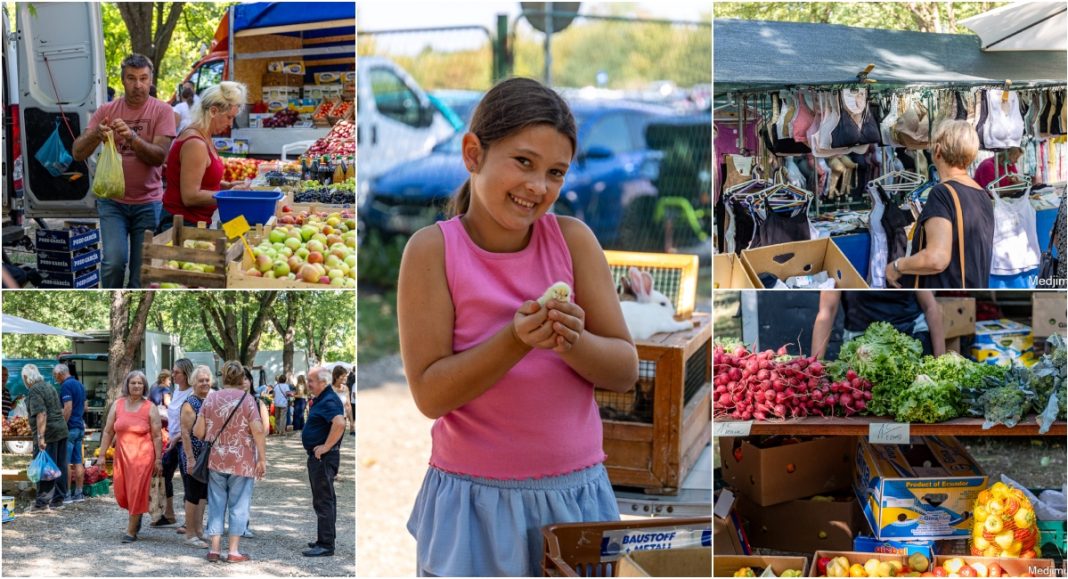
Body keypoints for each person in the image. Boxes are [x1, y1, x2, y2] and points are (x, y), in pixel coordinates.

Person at [396, 77, 639, 576]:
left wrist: (572, 341)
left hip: (575, 498)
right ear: (473, 153)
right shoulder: (432, 251)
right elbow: (430, 395)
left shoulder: (574, 242)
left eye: (555, 172)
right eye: (523, 162)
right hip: (474, 503)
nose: (537, 186)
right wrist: (514, 341)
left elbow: (624, 369)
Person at [71, 53, 176, 289]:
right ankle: (112, 299)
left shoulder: (162, 111)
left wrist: (132, 137)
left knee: (142, 273)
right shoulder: (107, 110)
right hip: (112, 201)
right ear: (122, 80)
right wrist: (96, 134)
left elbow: (159, 157)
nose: (137, 85)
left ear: (151, 80)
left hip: (148, 203)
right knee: (114, 262)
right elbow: (78, 153)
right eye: (131, 78)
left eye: (143, 78)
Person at [886, 120, 994, 289]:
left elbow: (936, 259)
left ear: (937, 150)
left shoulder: (942, 193)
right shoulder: (982, 195)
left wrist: (897, 266)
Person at [193, 361, 266, 563]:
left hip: (217, 459)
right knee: (239, 504)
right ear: (242, 378)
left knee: (216, 503)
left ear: (222, 377)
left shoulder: (210, 399)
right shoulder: (248, 400)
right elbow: (258, 430)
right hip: (242, 460)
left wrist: (216, 433)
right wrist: (262, 459)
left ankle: (214, 549)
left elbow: (198, 432)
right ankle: (233, 551)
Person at [159, 81, 250, 233]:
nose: (230, 123)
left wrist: (226, 186)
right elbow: (190, 196)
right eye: (229, 117)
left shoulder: (204, 137)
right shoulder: (195, 143)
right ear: (213, 111)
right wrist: (228, 195)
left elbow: (201, 180)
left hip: (193, 224)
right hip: (181, 227)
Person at [94, 371, 163, 542]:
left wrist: (158, 459)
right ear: (127, 385)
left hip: (142, 457)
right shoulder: (117, 405)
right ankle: (136, 516)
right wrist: (102, 455)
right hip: (122, 457)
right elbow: (109, 431)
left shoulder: (150, 407)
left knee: (135, 491)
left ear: (144, 386)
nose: (137, 386)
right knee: (121, 492)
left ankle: (131, 531)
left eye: (140, 383)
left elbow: (157, 436)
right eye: (133, 383)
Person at [811, 291, 946, 360]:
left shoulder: (902, 257)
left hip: (911, 339)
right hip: (862, 348)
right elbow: (827, 312)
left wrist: (940, 361)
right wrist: (815, 367)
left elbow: (931, 307)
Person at [301, 366, 345, 557]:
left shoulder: (328, 399)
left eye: (311, 381)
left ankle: (326, 544)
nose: (308, 384)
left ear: (322, 382)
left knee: (324, 500)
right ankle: (324, 540)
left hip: (324, 458)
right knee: (324, 499)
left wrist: (326, 447)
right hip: (321, 458)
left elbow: (340, 422)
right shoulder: (323, 398)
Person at [24, 364, 70, 511]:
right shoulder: (49, 386)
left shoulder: (34, 390)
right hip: (61, 429)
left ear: (26, 378)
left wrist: (40, 437)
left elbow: (41, 414)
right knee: (59, 464)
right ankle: (58, 499)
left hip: (49, 432)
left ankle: (42, 503)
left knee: (44, 467)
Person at [159, 358, 195, 530]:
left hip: (184, 441)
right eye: (173, 372)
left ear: (186, 373)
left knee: (188, 479)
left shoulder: (193, 393)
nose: (173, 375)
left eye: (176, 372)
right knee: (164, 473)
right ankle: (169, 513)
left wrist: (179, 436)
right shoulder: (176, 391)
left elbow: (196, 422)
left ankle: (190, 521)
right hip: (172, 440)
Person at [179, 366, 213, 548]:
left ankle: (199, 530)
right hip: (193, 456)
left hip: (205, 456)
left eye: (207, 380)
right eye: (201, 380)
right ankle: (190, 533)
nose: (205, 383)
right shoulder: (190, 403)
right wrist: (191, 459)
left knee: (202, 494)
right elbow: (185, 433)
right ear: (193, 382)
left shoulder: (208, 400)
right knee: (192, 494)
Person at [240, 366, 270, 539]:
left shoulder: (258, 402)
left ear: (251, 381)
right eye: (240, 378)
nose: (244, 381)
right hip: (229, 450)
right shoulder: (227, 398)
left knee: (245, 490)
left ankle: (243, 525)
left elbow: (265, 429)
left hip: (250, 449)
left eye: (247, 378)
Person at [55, 364, 88, 503]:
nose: (55, 378)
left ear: (60, 373)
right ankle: (79, 493)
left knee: (66, 463)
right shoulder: (80, 385)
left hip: (70, 428)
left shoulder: (66, 386)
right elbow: (85, 406)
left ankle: (67, 494)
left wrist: (63, 424)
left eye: (55, 375)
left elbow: (67, 407)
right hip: (80, 426)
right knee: (78, 461)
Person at [330, 366, 351, 433]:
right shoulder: (329, 389)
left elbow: (348, 405)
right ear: (336, 376)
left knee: (339, 442)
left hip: (342, 419)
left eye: (346, 376)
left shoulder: (345, 388)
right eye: (343, 376)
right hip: (330, 419)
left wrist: (352, 423)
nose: (345, 378)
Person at [346, 368, 356, 435]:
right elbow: (354, 394)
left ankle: (352, 430)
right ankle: (352, 430)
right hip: (354, 401)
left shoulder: (351, 378)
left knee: (353, 417)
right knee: (354, 417)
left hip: (352, 401)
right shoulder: (355, 382)